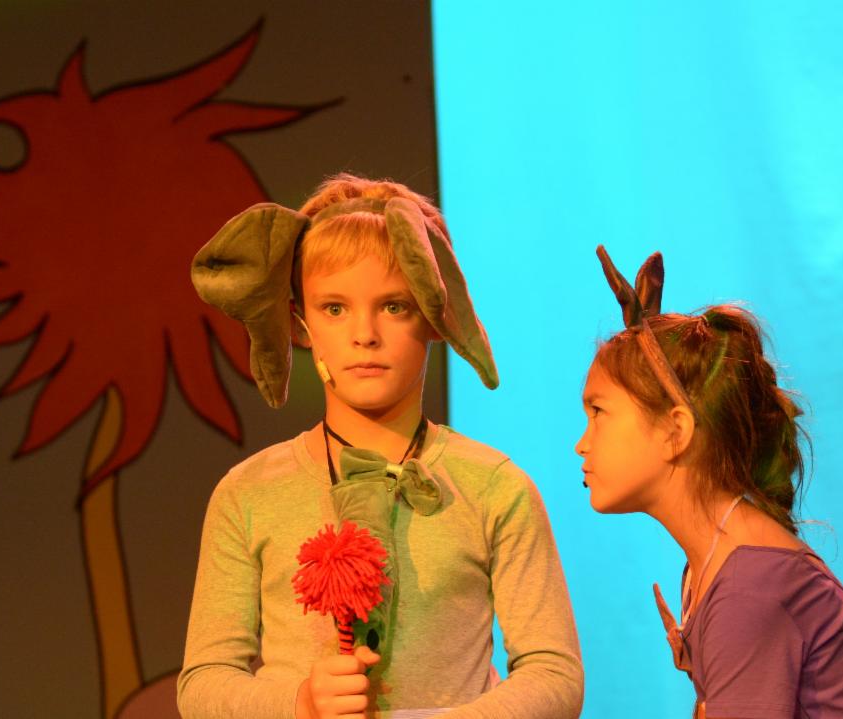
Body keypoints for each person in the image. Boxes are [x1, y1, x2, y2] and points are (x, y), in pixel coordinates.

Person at [178, 175, 583, 719]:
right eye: (334, 308)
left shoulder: (492, 487)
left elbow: (554, 674)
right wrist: (299, 703)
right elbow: (203, 683)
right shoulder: (249, 493)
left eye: (394, 306)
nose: (364, 334)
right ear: (300, 323)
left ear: (436, 314)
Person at [575, 247, 843, 718]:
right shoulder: (712, 568)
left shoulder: (746, 589)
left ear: (675, 430)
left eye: (598, 412)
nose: (581, 444)